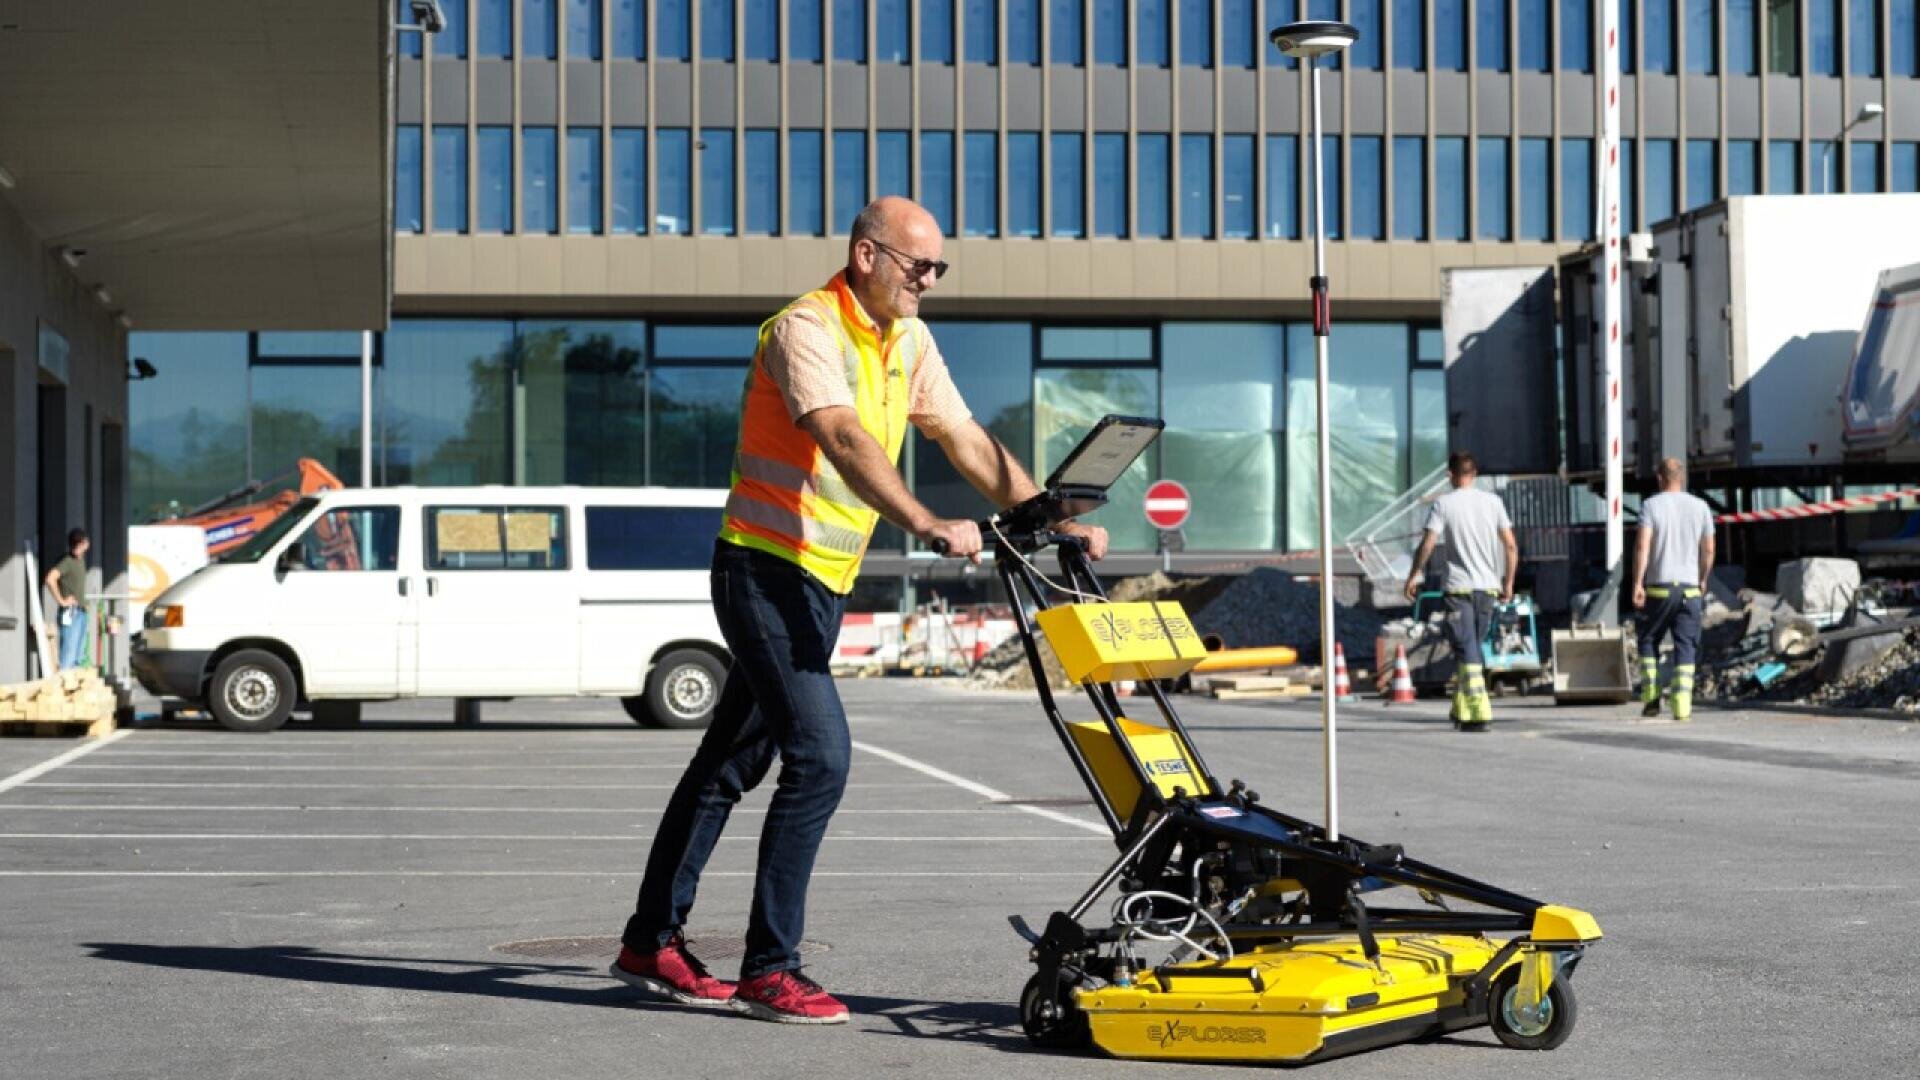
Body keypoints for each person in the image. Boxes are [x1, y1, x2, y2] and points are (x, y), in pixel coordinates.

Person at [610, 196, 1109, 1025]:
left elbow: (964, 436)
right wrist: (923, 521)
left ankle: (648, 940)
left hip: (819, 585)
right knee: (822, 757)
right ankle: (771, 967)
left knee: (729, 765)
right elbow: (841, 436)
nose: (930, 282)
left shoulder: (907, 339)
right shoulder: (803, 329)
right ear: (867, 255)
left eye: (939, 268)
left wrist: (1051, 518)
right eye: (919, 266)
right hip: (763, 572)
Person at [1403, 453, 1517, 731]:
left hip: (1459, 588)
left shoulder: (1444, 504)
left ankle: (1479, 712)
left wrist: (1414, 574)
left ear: (1449, 475)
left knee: (1468, 650)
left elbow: (1428, 544)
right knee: (1470, 647)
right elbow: (1511, 547)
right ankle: (1461, 709)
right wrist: (1509, 583)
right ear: (1474, 473)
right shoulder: (1494, 502)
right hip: (1487, 588)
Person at [1632, 457, 1716, 721]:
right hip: (1690, 590)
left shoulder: (1651, 506)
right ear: (1682, 478)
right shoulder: (1701, 507)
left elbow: (1643, 546)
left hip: (1659, 588)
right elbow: (1709, 549)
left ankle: (1651, 696)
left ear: (1660, 478)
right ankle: (1682, 703)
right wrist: (1702, 579)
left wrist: (1637, 582)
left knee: (1648, 640)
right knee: (1686, 646)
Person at [45, 528, 92, 673]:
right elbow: (50, 578)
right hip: (71, 612)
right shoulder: (67, 561)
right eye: (73, 546)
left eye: (79, 545)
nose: (76, 549)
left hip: (81, 611)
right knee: (68, 656)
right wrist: (61, 601)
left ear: (85, 544)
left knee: (79, 656)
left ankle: (76, 691)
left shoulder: (80, 560)